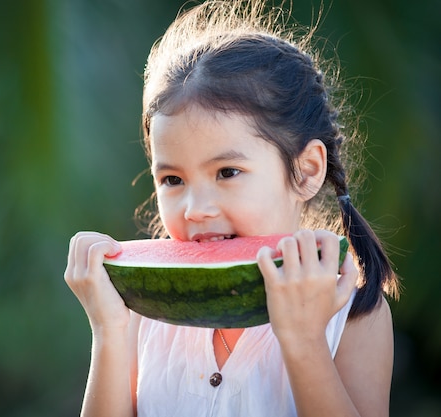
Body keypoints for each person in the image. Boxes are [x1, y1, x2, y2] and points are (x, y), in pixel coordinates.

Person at [64, 1, 400, 416]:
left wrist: (304, 342)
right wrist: (108, 330)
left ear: (306, 169)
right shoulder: (146, 314)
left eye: (227, 172)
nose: (196, 209)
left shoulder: (352, 315)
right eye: (172, 180)